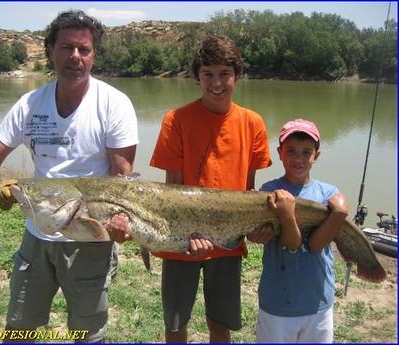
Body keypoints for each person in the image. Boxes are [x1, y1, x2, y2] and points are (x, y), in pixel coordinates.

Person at [0, 10, 138, 343]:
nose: (75, 57)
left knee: (88, 334)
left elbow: (123, 180)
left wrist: (121, 224)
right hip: (37, 236)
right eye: (66, 48)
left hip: (89, 239)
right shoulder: (30, 104)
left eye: (84, 49)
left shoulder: (114, 104)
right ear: (50, 50)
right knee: (19, 329)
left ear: (93, 56)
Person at [149, 36, 272, 343]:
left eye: (224, 74)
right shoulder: (175, 120)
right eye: (208, 74)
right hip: (181, 240)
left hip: (228, 241)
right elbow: (171, 191)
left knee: (221, 321)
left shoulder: (252, 123)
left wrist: (257, 228)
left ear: (237, 76)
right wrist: (187, 236)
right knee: (176, 322)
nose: (216, 83)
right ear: (197, 77)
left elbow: (248, 193)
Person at [250, 119, 349, 343]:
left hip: (318, 302)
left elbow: (315, 245)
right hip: (277, 303)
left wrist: (339, 213)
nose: (298, 158)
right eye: (291, 151)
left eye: (306, 152)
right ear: (280, 153)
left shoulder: (328, 194)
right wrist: (286, 215)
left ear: (317, 155)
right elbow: (291, 245)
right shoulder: (270, 191)